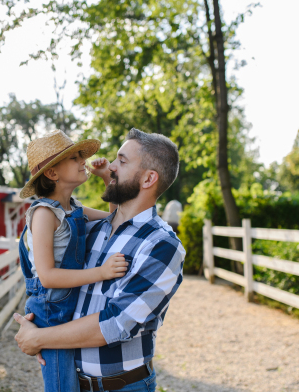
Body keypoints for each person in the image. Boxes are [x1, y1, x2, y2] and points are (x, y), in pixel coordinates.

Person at [14, 128, 186, 392]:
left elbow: (116, 323)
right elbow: (50, 275)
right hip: (74, 378)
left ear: (149, 178)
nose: (111, 166)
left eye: (122, 161)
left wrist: (40, 338)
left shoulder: (161, 245)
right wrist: (40, 327)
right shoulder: (93, 230)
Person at [17, 129, 128, 392]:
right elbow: (48, 276)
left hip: (70, 305)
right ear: (52, 174)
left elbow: (114, 221)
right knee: (62, 385)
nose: (82, 161)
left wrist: (106, 180)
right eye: (74, 157)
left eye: (80, 155)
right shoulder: (44, 214)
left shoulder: (74, 209)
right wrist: (101, 273)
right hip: (51, 309)